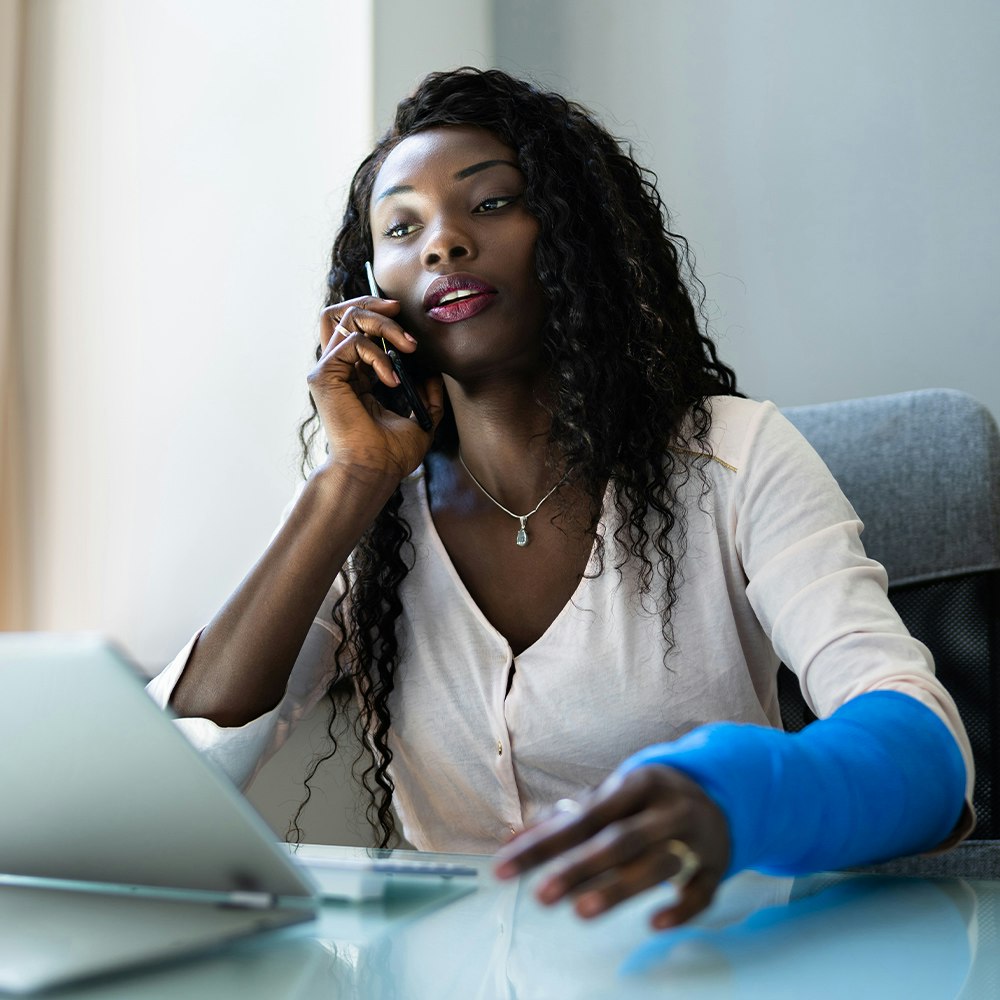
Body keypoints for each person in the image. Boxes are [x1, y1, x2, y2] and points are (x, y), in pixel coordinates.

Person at [148, 67, 973, 931]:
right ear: (370, 284)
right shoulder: (370, 514)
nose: (442, 244)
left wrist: (734, 792)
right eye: (402, 227)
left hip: (706, 963)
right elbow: (177, 775)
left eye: (493, 203)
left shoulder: (734, 456)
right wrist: (347, 481)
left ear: (575, 232)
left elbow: (925, 745)